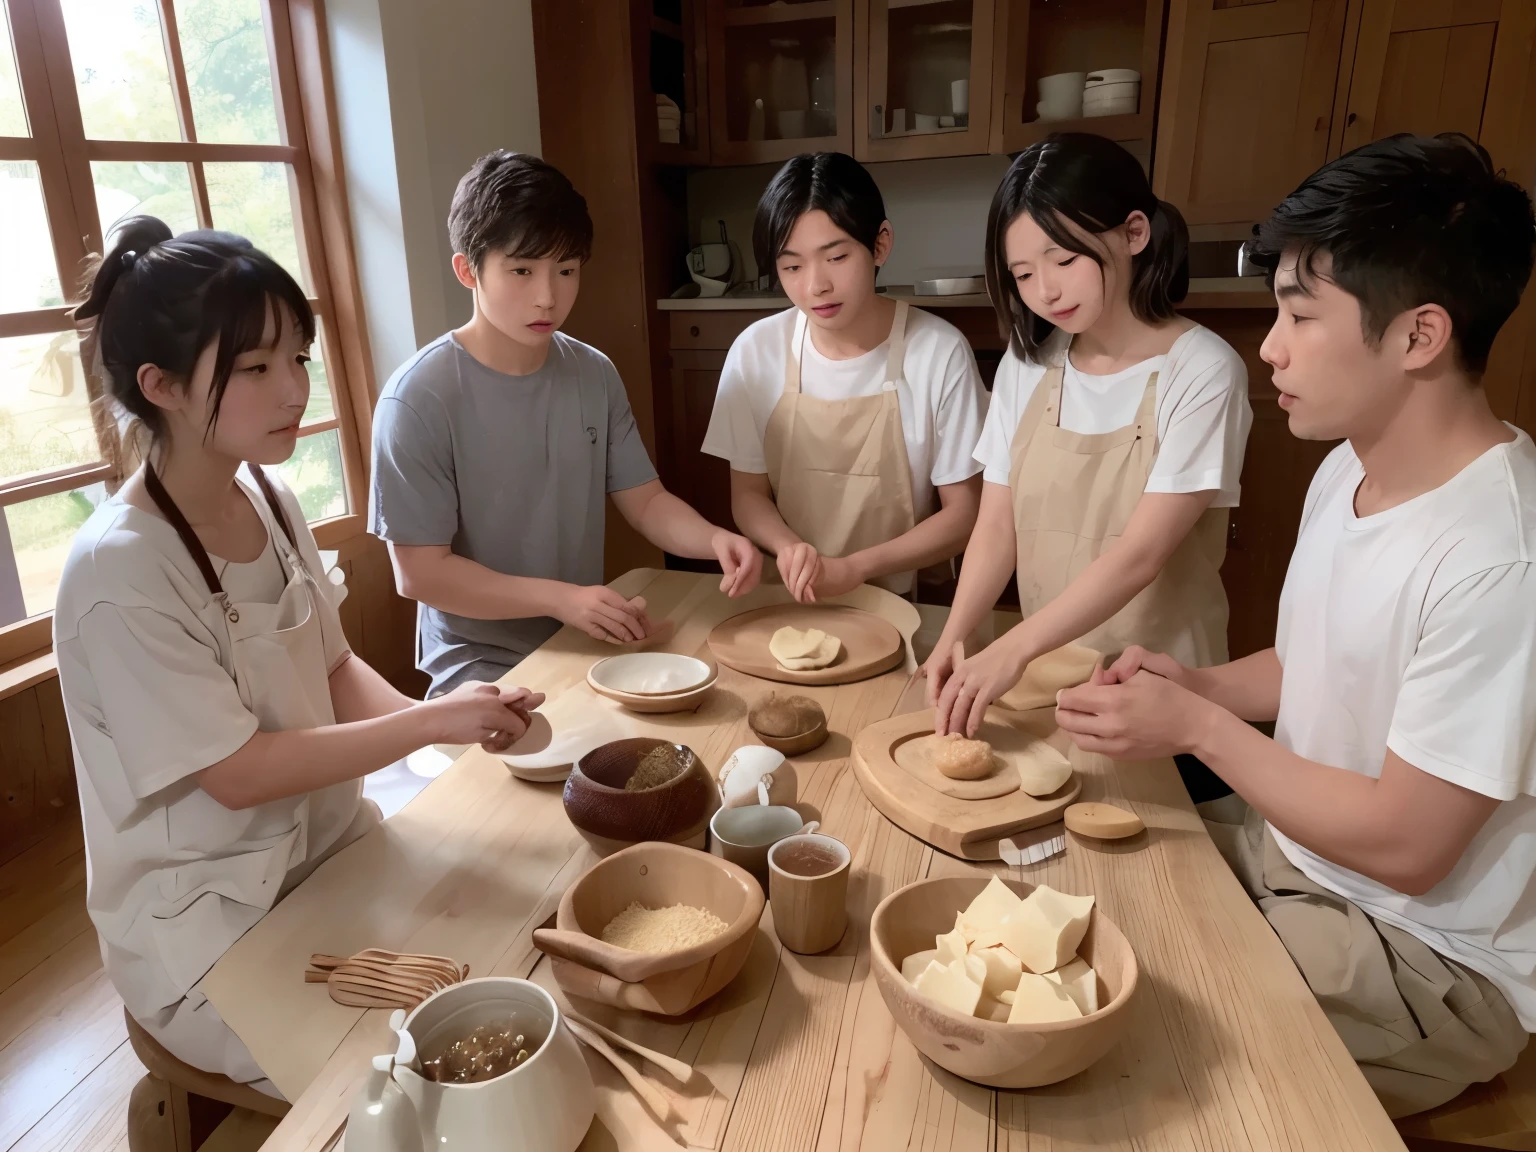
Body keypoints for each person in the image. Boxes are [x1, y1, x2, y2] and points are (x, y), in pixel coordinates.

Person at [1055, 133, 1536, 1116]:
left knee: (1119, 1048)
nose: (1269, 345)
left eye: (1299, 314)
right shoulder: (1349, 466)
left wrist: (1198, 730)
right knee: (1076, 894)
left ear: (1419, 336)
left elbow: (1409, 844)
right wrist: (1198, 687)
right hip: (1300, 855)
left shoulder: (1502, 559)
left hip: (1424, 954)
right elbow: (1320, 662)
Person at [53, 217, 541, 1096]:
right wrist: (436, 718)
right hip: (206, 928)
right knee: (424, 1083)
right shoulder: (118, 570)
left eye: (299, 357)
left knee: (518, 965)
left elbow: (332, 667)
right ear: (158, 385)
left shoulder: (267, 497)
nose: (293, 389)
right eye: (254, 367)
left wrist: (464, 727)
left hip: (331, 852)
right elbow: (235, 774)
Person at [370, 151, 762, 696]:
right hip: (479, 667)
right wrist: (562, 597)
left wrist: (715, 538)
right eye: (522, 270)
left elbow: (645, 502)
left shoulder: (592, 373)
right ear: (468, 270)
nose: (548, 296)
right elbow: (420, 574)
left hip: (585, 639)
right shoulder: (417, 398)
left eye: (567, 270)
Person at [925, 133, 1251, 741]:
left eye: (1064, 260)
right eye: (1022, 273)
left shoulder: (1203, 370)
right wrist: (956, 635)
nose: (1044, 291)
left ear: (1133, 234)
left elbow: (1140, 556)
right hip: (1051, 680)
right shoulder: (1029, 366)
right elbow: (997, 525)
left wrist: (1013, 648)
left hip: (1161, 689)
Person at [701, 152, 988, 602]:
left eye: (835, 256)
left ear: (880, 244)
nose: (816, 285)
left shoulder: (938, 351)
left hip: (907, 601)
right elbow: (749, 495)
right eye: (792, 266)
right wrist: (790, 548)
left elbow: (964, 513)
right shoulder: (756, 352)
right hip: (794, 595)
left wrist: (855, 569)